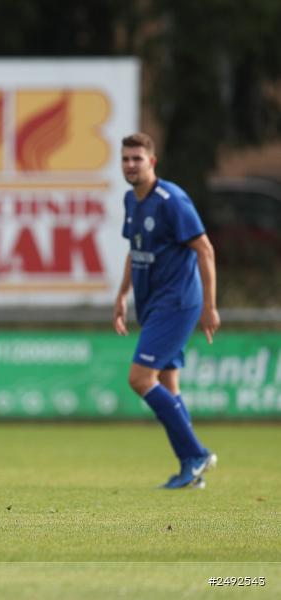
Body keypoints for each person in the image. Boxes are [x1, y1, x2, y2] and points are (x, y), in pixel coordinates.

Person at [113, 132, 220, 489]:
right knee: (169, 384)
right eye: (126, 159)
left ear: (152, 162)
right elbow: (135, 250)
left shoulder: (172, 201)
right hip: (153, 303)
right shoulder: (132, 200)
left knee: (140, 379)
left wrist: (209, 305)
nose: (130, 165)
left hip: (177, 303)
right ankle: (192, 471)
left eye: (137, 159)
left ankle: (197, 454)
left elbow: (205, 249)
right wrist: (122, 294)